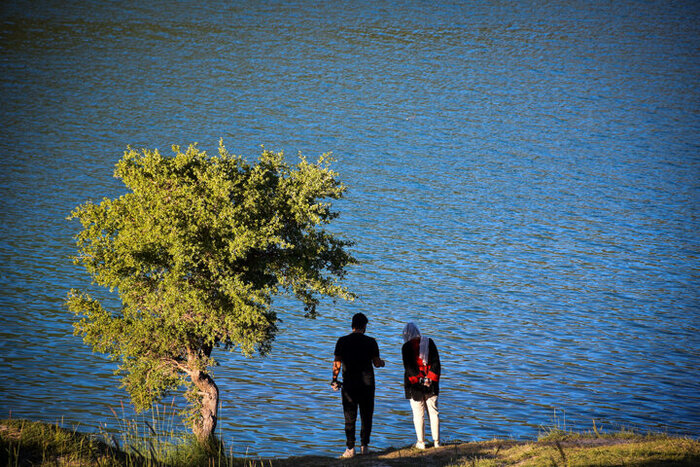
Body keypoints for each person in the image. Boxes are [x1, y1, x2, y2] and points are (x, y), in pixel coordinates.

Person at [331, 312, 385, 458]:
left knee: (349, 416)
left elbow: (337, 362)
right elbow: (376, 363)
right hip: (367, 384)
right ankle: (364, 447)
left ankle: (350, 449)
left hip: (349, 384)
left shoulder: (342, 341)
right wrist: (382, 363)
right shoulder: (371, 341)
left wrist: (334, 379)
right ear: (365, 326)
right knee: (366, 416)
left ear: (352, 325)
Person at [402, 322, 441, 449]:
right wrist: (429, 378)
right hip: (431, 383)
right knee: (433, 412)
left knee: (419, 414)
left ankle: (421, 442)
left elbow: (409, 368)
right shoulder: (430, 342)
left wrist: (420, 380)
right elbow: (436, 364)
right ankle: (436, 442)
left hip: (415, 386)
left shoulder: (406, 347)